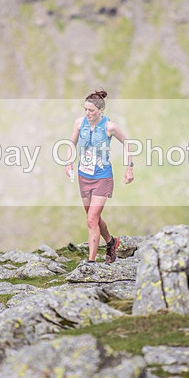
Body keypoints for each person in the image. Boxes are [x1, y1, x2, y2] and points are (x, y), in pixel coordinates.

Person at [65, 89, 134, 264]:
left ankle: (91, 262)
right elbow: (71, 143)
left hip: (102, 178)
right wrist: (68, 163)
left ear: (100, 111)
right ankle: (112, 242)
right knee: (93, 218)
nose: (88, 113)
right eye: (86, 110)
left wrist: (129, 169)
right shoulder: (80, 123)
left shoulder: (109, 127)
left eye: (92, 111)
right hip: (84, 176)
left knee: (91, 220)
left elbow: (127, 143)